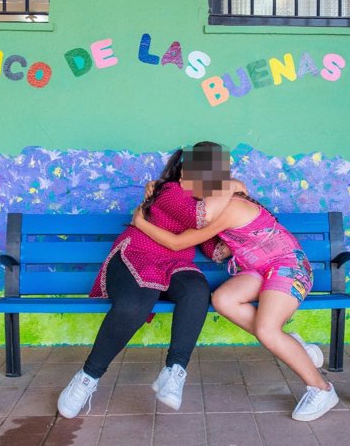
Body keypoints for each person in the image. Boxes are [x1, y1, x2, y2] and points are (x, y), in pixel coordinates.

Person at [57, 141, 244, 419]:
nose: (208, 184)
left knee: (196, 290)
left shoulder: (210, 204)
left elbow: (208, 244)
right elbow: (198, 218)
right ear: (183, 174)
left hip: (175, 264)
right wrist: (233, 186)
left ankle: (174, 372)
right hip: (136, 255)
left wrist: (227, 244)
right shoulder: (167, 191)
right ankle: (88, 377)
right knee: (137, 302)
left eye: (214, 179)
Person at [132, 182, 338, 422]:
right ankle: (293, 346)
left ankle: (322, 389)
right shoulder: (217, 201)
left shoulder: (231, 206)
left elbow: (178, 242)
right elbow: (185, 209)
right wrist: (156, 188)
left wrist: (139, 223)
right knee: (223, 299)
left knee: (267, 330)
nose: (189, 196)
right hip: (258, 269)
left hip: (287, 266)